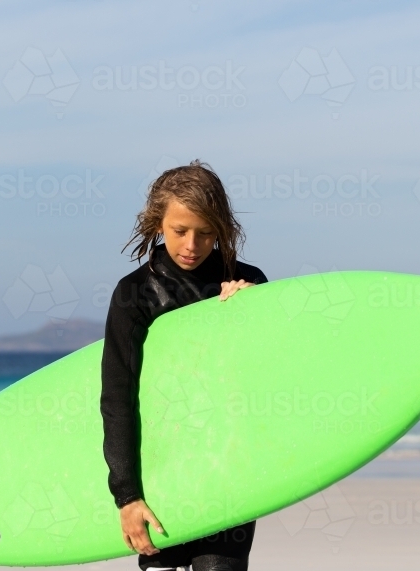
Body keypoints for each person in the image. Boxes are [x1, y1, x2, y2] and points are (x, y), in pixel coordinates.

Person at [100, 161, 267, 571]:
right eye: (179, 231)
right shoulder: (134, 295)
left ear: (222, 229)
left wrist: (250, 314)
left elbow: (270, 380)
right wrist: (127, 496)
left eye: (206, 232)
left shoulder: (249, 284)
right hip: (161, 472)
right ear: (158, 222)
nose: (192, 244)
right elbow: (117, 398)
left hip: (229, 471)